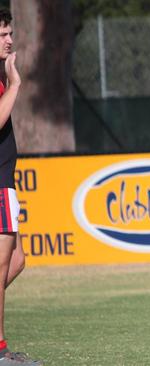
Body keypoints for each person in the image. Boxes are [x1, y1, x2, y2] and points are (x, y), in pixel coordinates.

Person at [0, 7, 41, 366]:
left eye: (10, 33)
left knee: (16, 261)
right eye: (2, 34)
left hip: (6, 183)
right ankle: (0, 353)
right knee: (1, 266)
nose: (10, 40)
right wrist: (15, 85)